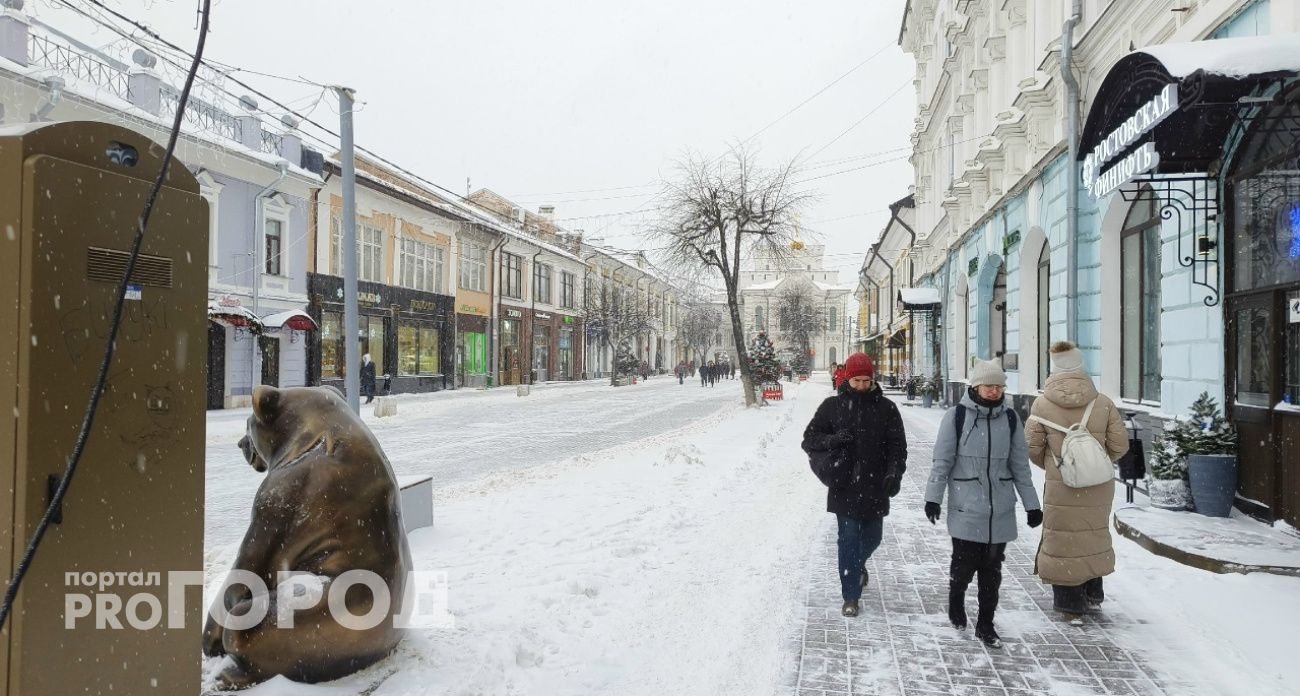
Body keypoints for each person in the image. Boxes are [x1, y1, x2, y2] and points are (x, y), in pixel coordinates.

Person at [924, 359, 1041, 648]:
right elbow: (942, 462)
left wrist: (1032, 505)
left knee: (992, 571)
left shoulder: (1011, 419)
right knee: (963, 567)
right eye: (989, 386)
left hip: (999, 509)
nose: (994, 391)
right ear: (976, 386)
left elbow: (1020, 467)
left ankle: (986, 624)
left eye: (999, 386)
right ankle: (956, 600)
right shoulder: (957, 416)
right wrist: (933, 498)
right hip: (967, 508)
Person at [1025, 341, 1129, 621]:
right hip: (1098, 483)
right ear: (1082, 366)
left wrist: (1057, 464)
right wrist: (1093, 461)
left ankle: (1070, 603)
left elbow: (1032, 448)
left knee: (1062, 537)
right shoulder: (1103, 403)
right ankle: (1093, 592)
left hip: (1062, 482)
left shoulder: (1041, 404)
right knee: (1092, 533)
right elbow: (1120, 447)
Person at [801, 353, 907, 618]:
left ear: (872, 380)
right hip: (844, 484)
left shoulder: (886, 409)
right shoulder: (832, 407)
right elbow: (809, 439)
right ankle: (850, 595)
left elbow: (898, 448)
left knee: (873, 537)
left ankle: (857, 566)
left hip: (875, 486)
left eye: (866, 380)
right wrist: (834, 439)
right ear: (847, 379)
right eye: (857, 380)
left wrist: (894, 473)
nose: (861, 385)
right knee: (848, 540)